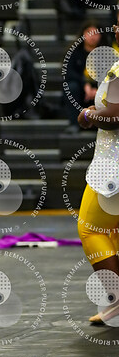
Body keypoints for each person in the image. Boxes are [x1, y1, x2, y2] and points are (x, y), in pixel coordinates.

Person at [77, 19, 119, 324]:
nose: (116, 30)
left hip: (112, 167)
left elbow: (116, 116)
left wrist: (88, 114)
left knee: (90, 228)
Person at [64, 20, 106, 134]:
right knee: (71, 87)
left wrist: (99, 89)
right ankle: (74, 124)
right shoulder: (74, 52)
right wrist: (85, 85)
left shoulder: (106, 53)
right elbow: (69, 73)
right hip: (81, 91)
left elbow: (111, 74)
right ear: (83, 34)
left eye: (96, 33)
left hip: (100, 89)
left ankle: (105, 123)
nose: (92, 36)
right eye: (89, 32)